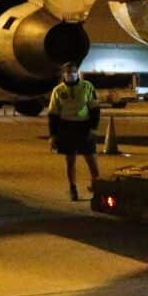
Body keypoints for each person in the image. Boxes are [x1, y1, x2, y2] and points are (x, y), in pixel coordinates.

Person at [48, 62, 101, 201]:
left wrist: (93, 128)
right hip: (66, 127)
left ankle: (97, 187)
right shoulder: (58, 90)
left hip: (84, 126)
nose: (70, 74)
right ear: (63, 74)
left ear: (77, 72)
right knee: (70, 160)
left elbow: (95, 109)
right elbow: (53, 114)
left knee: (91, 158)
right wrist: (53, 135)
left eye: (73, 72)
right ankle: (72, 188)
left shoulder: (87, 87)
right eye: (67, 72)